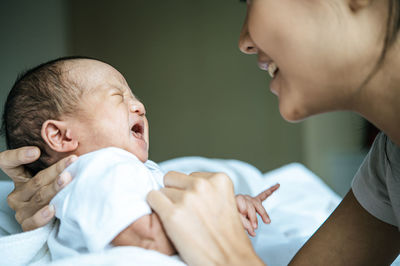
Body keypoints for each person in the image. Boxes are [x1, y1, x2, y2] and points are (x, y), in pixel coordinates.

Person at [2, 0, 400, 264]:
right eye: (117, 96)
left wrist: (225, 241)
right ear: (60, 136)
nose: (244, 40)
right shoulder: (389, 166)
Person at [1, 56, 279, 260]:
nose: (139, 106)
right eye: (118, 96)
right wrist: (220, 219)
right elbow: (146, 238)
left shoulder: (129, 169)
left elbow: (172, 209)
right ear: (61, 137)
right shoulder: (99, 169)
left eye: (133, 95)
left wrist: (227, 206)